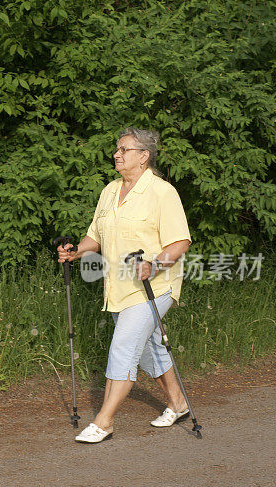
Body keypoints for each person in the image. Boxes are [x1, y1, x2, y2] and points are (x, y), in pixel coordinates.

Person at [57, 128, 192, 443]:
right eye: (116, 150)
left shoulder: (162, 192)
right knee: (147, 348)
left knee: (122, 347)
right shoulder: (110, 190)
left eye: (124, 149)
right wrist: (77, 251)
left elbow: (180, 241)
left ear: (144, 156)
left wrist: (154, 264)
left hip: (155, 286)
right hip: (118, 286)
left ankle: (104, 421)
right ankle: (178, 402)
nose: (116, 154)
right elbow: (97, 236)